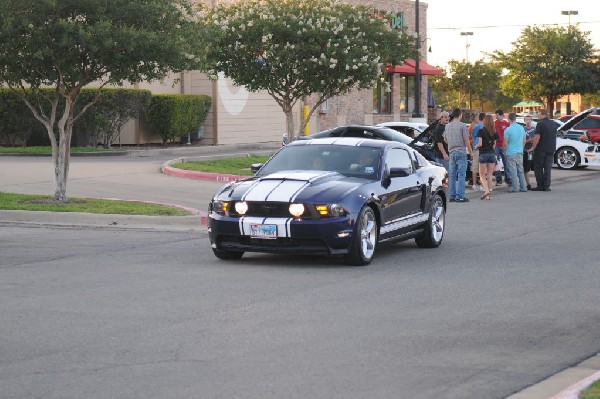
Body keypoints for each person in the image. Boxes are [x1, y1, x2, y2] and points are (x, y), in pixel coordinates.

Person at [444, 108, 473, 203]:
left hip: (452, 152)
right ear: (460, 115)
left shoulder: (447, 126)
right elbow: (466, 140)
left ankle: (452, 196)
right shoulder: (462, 125)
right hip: (461, 152)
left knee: (452, 175)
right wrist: (471, 152)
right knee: (461, 175)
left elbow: (445, 140)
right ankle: (460, 196)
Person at [529, 109, 558, 191]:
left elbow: (537, 137)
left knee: (538, 167)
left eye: (538, 113)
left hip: (541, 149)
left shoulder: (540, 123)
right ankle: (546, 185)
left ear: (542, 114)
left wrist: (533, 148)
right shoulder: (553, 123)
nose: (538, 115)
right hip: (551, 148)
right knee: (548, 167)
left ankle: (540, 185)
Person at [474, 114, 498, 200]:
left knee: (482, 175)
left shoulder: (481, 131)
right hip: (492, 154)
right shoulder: (494, 132)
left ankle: (486, 191)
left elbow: (480, 144)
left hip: (483, 154)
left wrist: (476, 146)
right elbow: (494, 145)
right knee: (490, 174)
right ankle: (488, 194)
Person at [503, 112, 528, 192]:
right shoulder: (521, 128)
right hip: (519, 151)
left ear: (508, 119)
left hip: (510, 152)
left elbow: (505, 143)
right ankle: (524, 187)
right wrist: (521, 148)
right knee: (520, 170)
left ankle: (515, 187)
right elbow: (524, 140)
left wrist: (504, 150)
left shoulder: (508, 130)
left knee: (513, 171)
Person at [494, 109, 511, 186]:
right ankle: (499, 180)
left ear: (501, 115)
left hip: (504, 146)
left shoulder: (507, 124)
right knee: (496, 163)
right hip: (496, 146)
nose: (496, 116)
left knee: (506, 163)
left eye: (497, 115)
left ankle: (508, 180)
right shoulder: (494, 123)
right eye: (496, 115)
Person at [470, 112, 485, 191]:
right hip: (483, 149)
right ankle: (483, 185)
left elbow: (473, 137)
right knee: (483, 168)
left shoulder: (475, 127)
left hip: (476, 148)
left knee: (474, 167)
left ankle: (474, 184)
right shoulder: (485, 126)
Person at [522, 115, 536, 190]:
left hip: (533, 151)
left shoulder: (534, 129)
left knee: (535, 168)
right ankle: (528, 184)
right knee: (526, 169)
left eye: (529, 119)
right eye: (526, 119)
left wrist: (532, 140)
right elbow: (522, 141)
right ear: (524, 121)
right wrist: (528, 140)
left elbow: (536, 139)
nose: (528, 121)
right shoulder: (522, 130)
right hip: (525, 151)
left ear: (531, 120)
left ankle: (538, 182)